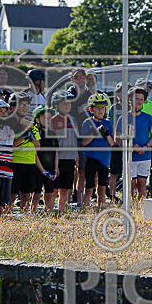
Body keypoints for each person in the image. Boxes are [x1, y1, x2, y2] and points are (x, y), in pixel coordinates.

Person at [116, 87, 152, 199]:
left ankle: (140, 209)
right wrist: (129, 146)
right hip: (130, 157)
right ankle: (130, 208)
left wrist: (145, 146)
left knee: (142, 185)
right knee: (131, 185)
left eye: (141, 99)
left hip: (145, 156)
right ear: (130, 99)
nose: (139, 101)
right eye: (136, 98)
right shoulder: (123, 118)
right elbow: (118, 138)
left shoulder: (148, 118)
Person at [81, 93, 115, 207]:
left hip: (104, 160)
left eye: (102, 107)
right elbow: (84, 142)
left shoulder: (108, 123)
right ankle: (85, 208)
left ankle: (101, 208)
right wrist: (95, 133)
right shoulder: (87, 122)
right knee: (89, 187)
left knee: (102, 187)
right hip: (91, 158)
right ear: (91, 109)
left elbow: (111, 143)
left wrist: (107, 134)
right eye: (97, 107)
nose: (100, 110)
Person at [67, 68, 94, 206]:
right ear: (72, 80)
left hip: (86, 136)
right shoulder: (69, 94)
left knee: (83, 170)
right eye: (77, 78)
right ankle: (70, 194)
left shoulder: (90, 95)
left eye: (82, 77)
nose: (80, 79)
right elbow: (65, 111)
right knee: (70, 167)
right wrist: (78, 110)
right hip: (71, 135)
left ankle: (80, 201)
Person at [9, 91, 37, 212]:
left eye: (27, 105)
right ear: (13, 107)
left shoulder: (31, 123)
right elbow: (11, 146)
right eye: (22, 104)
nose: (26, 107)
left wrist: (32, 137)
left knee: (26, 194)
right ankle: (7, 216)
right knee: (12, 193)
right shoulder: (10, 124)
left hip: (30, 162)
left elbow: (38, 146)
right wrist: (23, 138)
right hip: (16, 161)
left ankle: (24, 216)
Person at [50, 90, 78, 210]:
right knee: (53, 188)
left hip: (70, 158)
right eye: (64, 103)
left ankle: (62, 210)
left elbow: (75, 139)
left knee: (66, 187)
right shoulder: (52, 121)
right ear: (56, 105)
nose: (67, 106)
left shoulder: (73, 120)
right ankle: (49, 210)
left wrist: (76, 155)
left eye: (69, 103)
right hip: (57, 158)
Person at [31, 106, 59, 211]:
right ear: (37, 119)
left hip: (51, 168)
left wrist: (56, 169)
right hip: (38, 169)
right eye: (44, 118)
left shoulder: (52, 133)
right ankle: (33, 213)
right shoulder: (35, 133)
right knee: (37, 194)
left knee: (49, 193)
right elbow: (35, 154)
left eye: (49, 117)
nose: (48, 120)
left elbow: (56, 152)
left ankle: (49, 213)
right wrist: (43, 171)